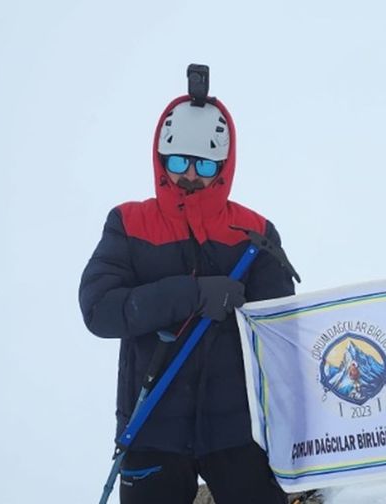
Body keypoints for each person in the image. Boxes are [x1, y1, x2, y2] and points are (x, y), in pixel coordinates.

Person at [79, 84, 295, 503]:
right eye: (178, 161)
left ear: (225, 166)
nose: (190, 176)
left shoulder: (256, 232)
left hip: (239, 430)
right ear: (161, 160)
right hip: (151, 426)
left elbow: (282, 329)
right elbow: (99, 309)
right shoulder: (128, 224)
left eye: (206, 165)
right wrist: (191, 294)